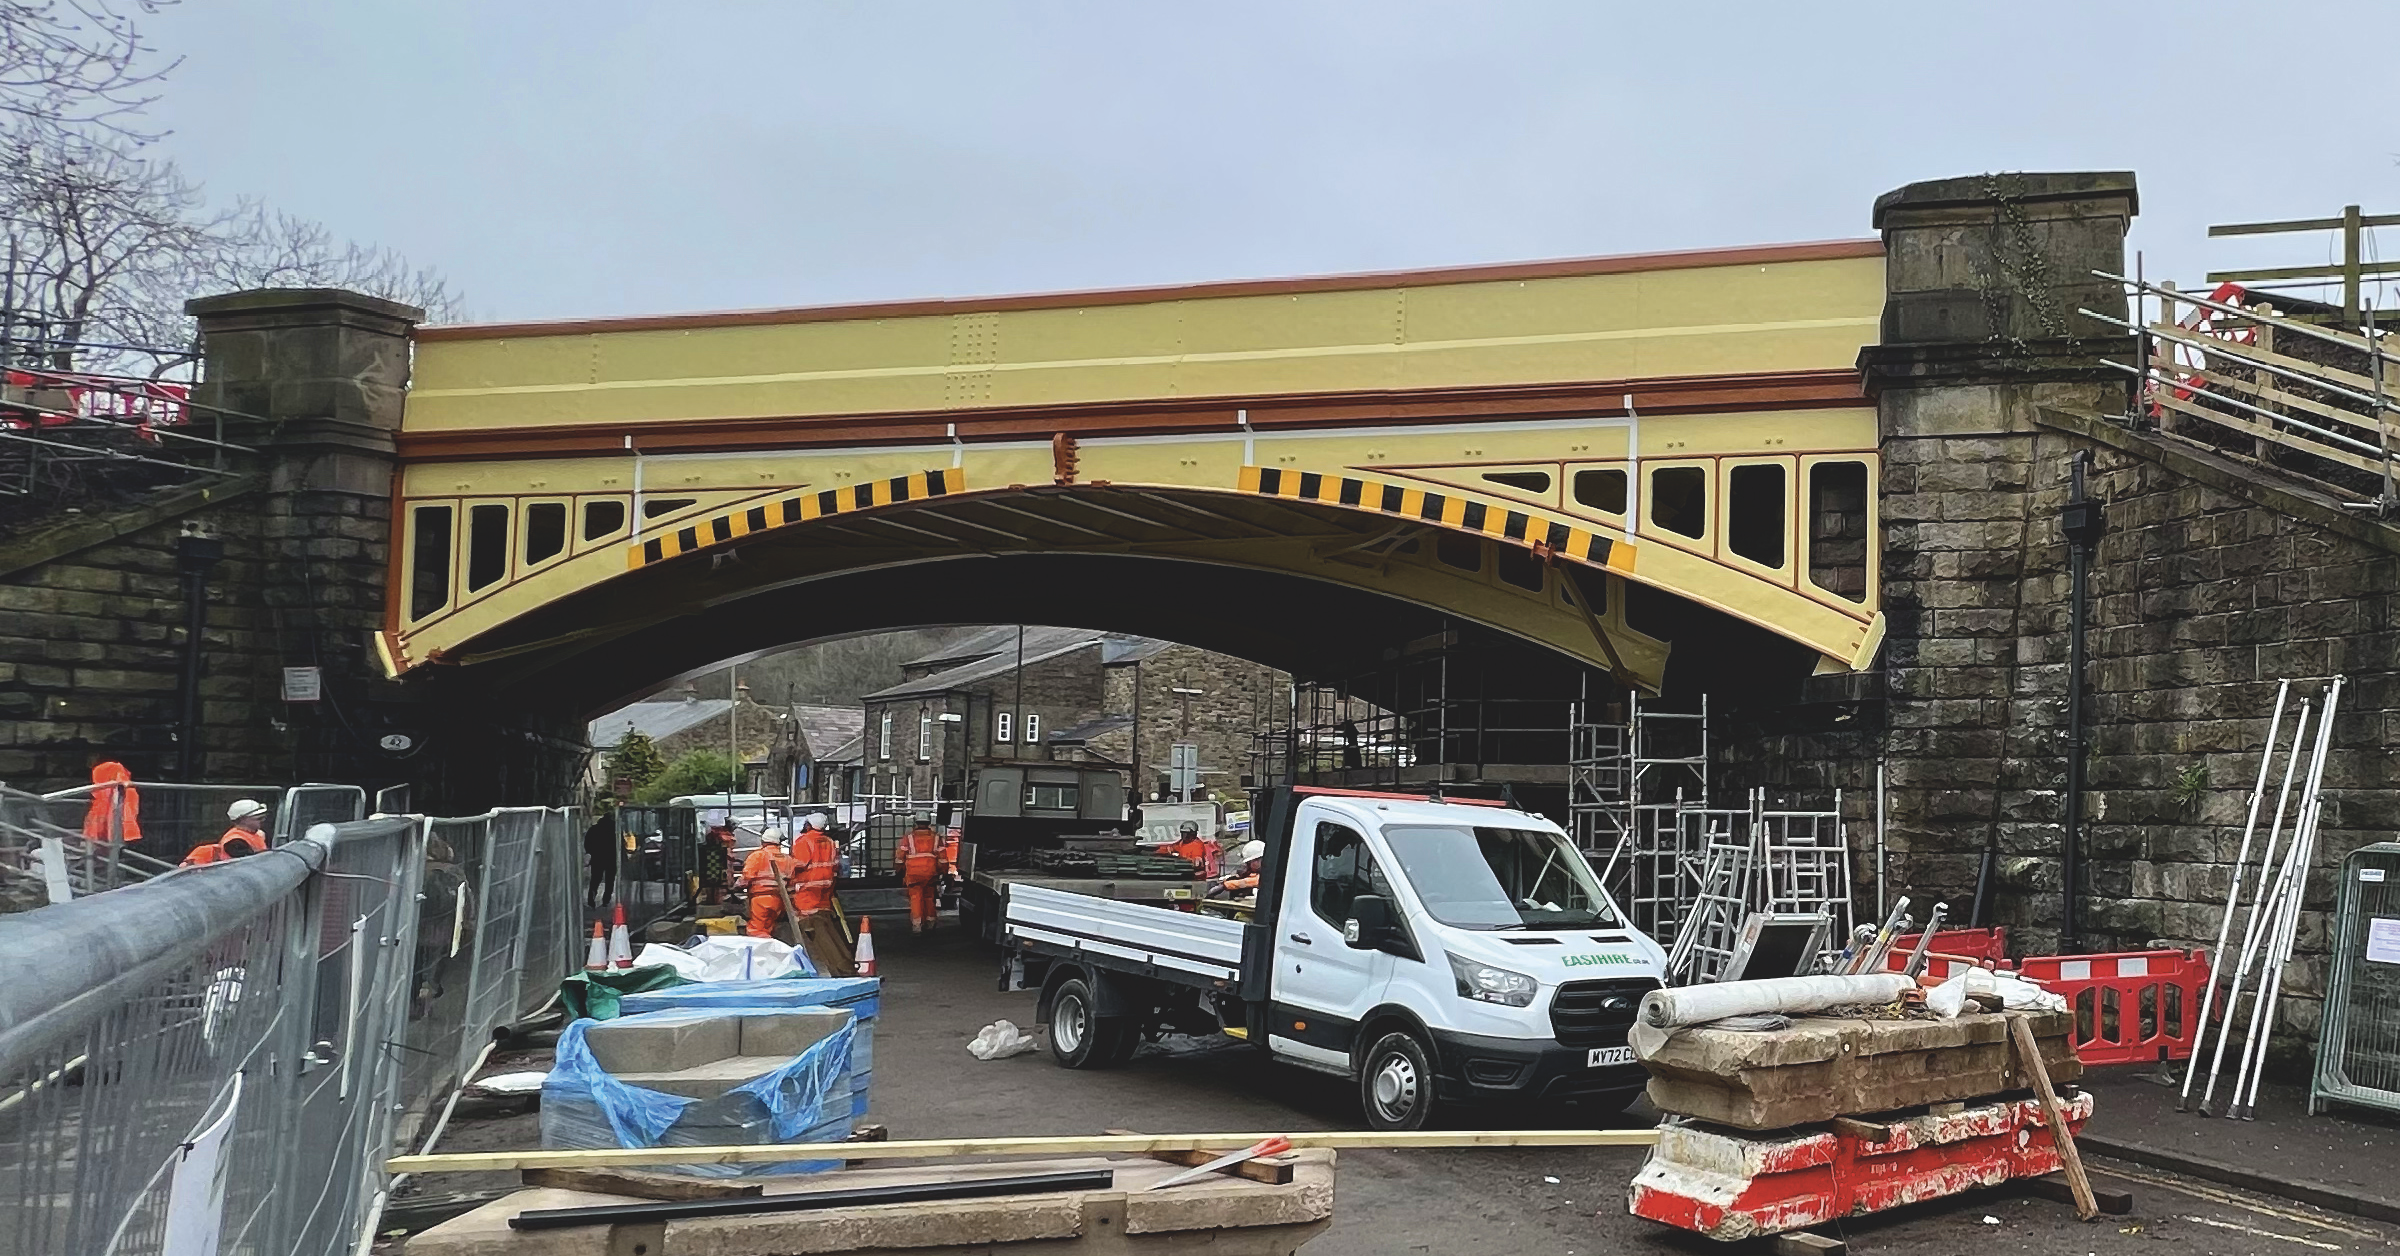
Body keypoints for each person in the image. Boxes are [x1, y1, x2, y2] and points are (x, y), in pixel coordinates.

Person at [741, 826, 801, 939]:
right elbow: (792, 885)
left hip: (760, 899)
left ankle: (759, 952)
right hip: (778, 900)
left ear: (763, 841)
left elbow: (746, 877)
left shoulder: (758, 856)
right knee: (768, 928)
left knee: (756, 930)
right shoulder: (788, 859)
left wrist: (735, 886)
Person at [184, 798, 270, 866]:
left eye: (263, 817)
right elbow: (250, 863)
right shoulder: (235, 840)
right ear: (242, 820)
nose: (263, 820)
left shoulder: (257, 834)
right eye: (259, 818)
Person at [896, 813, 944, 933]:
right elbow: (943, 859)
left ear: (916, 822)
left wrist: (898, 871)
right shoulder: (936, 838)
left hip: (913, 874)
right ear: (929, 823)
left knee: (915, 898)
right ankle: (930, 922)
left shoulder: (908, 838)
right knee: (929, 897)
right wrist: (944, 873)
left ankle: (917, 925)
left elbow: (900, 858)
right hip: (930, 873)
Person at [789, 816, 842, 917]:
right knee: (823, 913)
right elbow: (836, 864)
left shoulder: (804, 841)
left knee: (806, 914)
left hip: (808, 884)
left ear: (809, 825)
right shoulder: (829, 841)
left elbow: (799, 864)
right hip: (827, 883)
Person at [81, 760, 142, 845]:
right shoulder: (105, 795)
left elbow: (128, 817)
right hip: (107, 837)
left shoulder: (125, 792)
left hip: (118, 837)